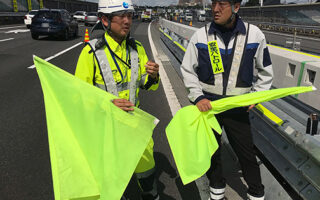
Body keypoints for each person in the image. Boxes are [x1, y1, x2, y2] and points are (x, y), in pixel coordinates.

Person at [180, 0, 273, 200]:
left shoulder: (254, 35)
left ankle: (256, 193)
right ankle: (217, 192)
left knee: (246, 154)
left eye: (221, 4)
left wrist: (256, 96)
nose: (215, 9)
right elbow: (188, 70)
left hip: (237, 107)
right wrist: (197, 97)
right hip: (208, 107)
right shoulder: (202, 35)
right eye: (213, 3)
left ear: (236, 7)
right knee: (211, 153)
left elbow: (266, 72)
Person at [75, 0, 160, 199]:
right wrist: (107, 104)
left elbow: (145, 83)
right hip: (106, 131)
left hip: (135, 125)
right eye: (121, 16)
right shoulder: (90, 53)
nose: (127, 21)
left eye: (129, 16)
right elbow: (79, 96)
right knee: (111, 183)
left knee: (147, 174)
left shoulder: (136, 48)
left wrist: (153, 75)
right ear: (105, 20)